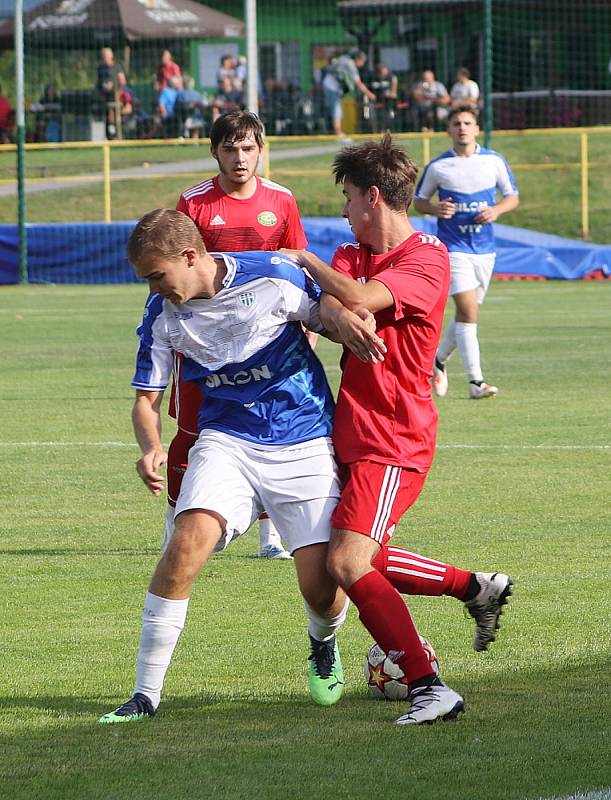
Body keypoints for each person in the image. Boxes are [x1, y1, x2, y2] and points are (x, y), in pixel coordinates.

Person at [97, 208, 384, 724]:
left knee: (322, 588)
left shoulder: (272, 275)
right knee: (184, 546)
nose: (155, 288)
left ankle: (323, 643)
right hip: (225, 440)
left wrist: (347, 323)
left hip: (302, 437)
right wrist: (150, 446)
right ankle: (145, 694)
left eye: (158, 275)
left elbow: (327, 314)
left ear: (190, 256)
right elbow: (146, 397)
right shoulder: (161, 314)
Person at [283, 135, 513, 725]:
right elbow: (339, 311)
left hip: (394, 436)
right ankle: (474, 588)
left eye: (349, 197)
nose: (343, 210)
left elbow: (354, 299)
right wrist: (338, 310)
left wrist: (302, 259)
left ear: (374, 197)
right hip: (350, 432)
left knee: (348, 564)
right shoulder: (352, 252)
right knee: (363, 558)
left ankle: (428, 685)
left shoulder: (427, 257)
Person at [173, 110, 312, 560]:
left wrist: (306, 330)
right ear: (214, 151)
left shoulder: (281, 200)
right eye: (229, 148)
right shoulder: (193, 203)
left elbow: (296, 265)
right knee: (191, 431)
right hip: (206, 341)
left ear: (261, 150)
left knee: (271, 430)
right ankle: (173, 529)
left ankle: (271, 539)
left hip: (267, 341)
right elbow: (179, 267)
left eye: (248, 148)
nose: (239, 157)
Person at [414, 104, 519, 399]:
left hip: (485, 250)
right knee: (468, 311)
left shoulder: (494, 161)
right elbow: (419, 201)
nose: (462, 127)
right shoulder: (438, 166)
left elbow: (512, 197)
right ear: (448, 130)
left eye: (467, 122)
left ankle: (437, 360)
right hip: (453, 248)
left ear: (477, 129)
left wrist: (496, 210)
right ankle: (476, 382)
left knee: (466, 314)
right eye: (456, 123)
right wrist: (435, 208)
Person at [321, 48, 376, 139]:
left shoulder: (343, 59)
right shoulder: (351, 66)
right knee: (336, 110)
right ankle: (338, 133)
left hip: (327, 84)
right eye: (363, 62)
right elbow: (358, 83)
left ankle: (331, 131)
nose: (362, 65)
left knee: (332, 109)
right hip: (332, 87)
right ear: (358, 59)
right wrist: (370, 94)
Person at [96, 47, 125, 139]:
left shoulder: (117, 66)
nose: (105, 57)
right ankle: (107, 131)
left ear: (111, 56)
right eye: (103, 55)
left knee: (111, 110)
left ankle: (113, 131)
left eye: (107, 55)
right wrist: (102, 85)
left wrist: (113, 85)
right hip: (102, 94)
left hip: (115, 94)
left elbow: (122, 81)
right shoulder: (100, 68)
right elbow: (97, 82)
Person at [367, 63, 398, 133]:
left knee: (387, 115)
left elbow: (394, 81)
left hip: (386, 101)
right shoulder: (371, 77)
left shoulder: (390, 77)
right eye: (382, 73)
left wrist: (393, 92)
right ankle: (374, 132)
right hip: (374, 101)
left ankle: (383, 130)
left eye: (385, 72)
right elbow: (366, 88)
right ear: (378, 73)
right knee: (372, 115)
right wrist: (370, 95)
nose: (385, 74)